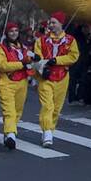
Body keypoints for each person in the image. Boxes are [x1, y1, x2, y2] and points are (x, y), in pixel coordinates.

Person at [34, 11, 79, 146]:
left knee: (56, 108)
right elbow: (36, 57)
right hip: (45, 77)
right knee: (47, 105)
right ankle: (47, 131)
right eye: (50, 22)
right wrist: (43, 67)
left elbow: (73, 56)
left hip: (62, 77)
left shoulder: (70, 40)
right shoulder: (41, 40)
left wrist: (57, 60)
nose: (51, 25)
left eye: (54, 22)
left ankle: (49, 130)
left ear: (61, 24)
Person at [0, 21, 34, 149]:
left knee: (18, 110)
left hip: (22, 82)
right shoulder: (1, 48)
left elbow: (30, 59)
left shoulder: (23, 47)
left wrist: (34, 59)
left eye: (16, 31)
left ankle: (9, 132)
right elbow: (2, 65)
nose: (14, 33)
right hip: (6, 82)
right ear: (6, 33)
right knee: (9, 110)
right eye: (11, 31)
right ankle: (11, 134)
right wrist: (21, 64)